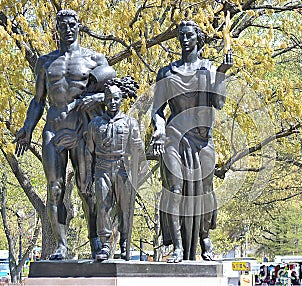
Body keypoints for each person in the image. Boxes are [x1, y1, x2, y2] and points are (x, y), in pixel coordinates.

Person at [13, 9, 116, 259]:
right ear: (57, 29)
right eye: (62, 25)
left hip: (82, 129)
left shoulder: (95, 59)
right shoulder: (46, 62)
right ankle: (61, 245)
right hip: (53, 128)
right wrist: (27, 127)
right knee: (55, 189)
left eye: (71, 24)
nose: (67, 29)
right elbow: (38, 100)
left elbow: (115, 93)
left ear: (78, 26)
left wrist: (98, 98)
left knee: (86, 188)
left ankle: (96, 240)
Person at [150, 20, 233, 262]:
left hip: (202, 140)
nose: (184, 39)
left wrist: (222, 74)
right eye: (180, 35)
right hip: (174, 137)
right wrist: (159, 129)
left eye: (188, 35)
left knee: (205, 192)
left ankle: (204, 237)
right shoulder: (166, 73)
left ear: (198, 38)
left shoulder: (207, 69)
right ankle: (177, 246)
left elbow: (217, 103)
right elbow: (157, 110)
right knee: (175, 190)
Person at [85, 81, 144, 261]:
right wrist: (88, 175)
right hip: (102, 168)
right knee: (103, 206)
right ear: (104, 101)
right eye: (109, 99)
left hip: (123, 169)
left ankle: (125, 241)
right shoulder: (95, 123)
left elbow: (138, 149)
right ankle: (105, 244)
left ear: (120, 101)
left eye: (116, 99)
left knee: (125, 208)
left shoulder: (130, 122)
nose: (112, 102)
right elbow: (89, 152)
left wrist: (138, 170)